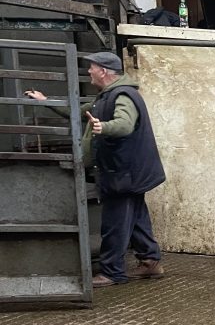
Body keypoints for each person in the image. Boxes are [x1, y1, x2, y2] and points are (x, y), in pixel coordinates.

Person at [25, 52, 166, 288]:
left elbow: (124, 124)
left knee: (115, 223)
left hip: (123, 174)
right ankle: (150, 261)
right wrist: (45, 100)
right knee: (137, 217)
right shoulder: (106, 97)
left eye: (91, 67)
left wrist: (104, 126)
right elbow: (76, 111)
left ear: (103, 71)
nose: (88, 71)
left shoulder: (123, 96)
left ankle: (112, 272)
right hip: (128, 172)